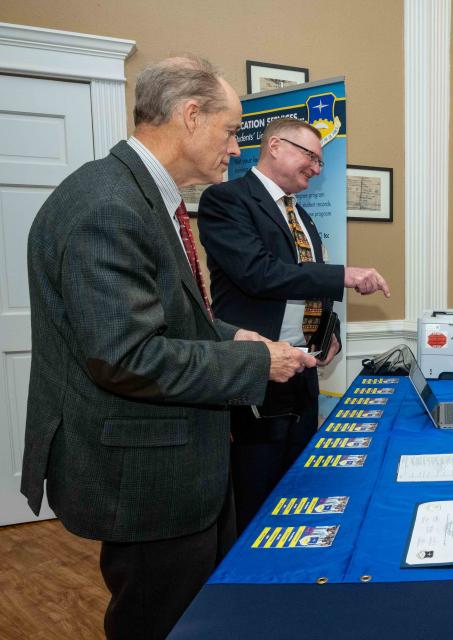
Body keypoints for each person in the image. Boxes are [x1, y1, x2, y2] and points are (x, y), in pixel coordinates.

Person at [21, 56, 317, 639]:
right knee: (161, 621)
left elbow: (171, 317)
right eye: (232, 130)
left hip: (180, 465)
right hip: (147, 474)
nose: (237, 148)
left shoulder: (144, 196)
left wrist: (232, 334)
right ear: (189, 116)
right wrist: (256, 359)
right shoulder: (108, 205)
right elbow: (127, 356)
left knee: (201, 616)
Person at [198, 117, 390, 532]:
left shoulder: (300, 214)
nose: (318, 169)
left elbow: (310, 285)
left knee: (299, 488)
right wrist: (344, 274)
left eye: (321, 162)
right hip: (256, 373)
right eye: (312, 158)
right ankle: (247, 588)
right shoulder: (226, 201)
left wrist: (330, 333)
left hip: (301, 376)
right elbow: (259, 273)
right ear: (276, 147)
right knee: (255, 496)